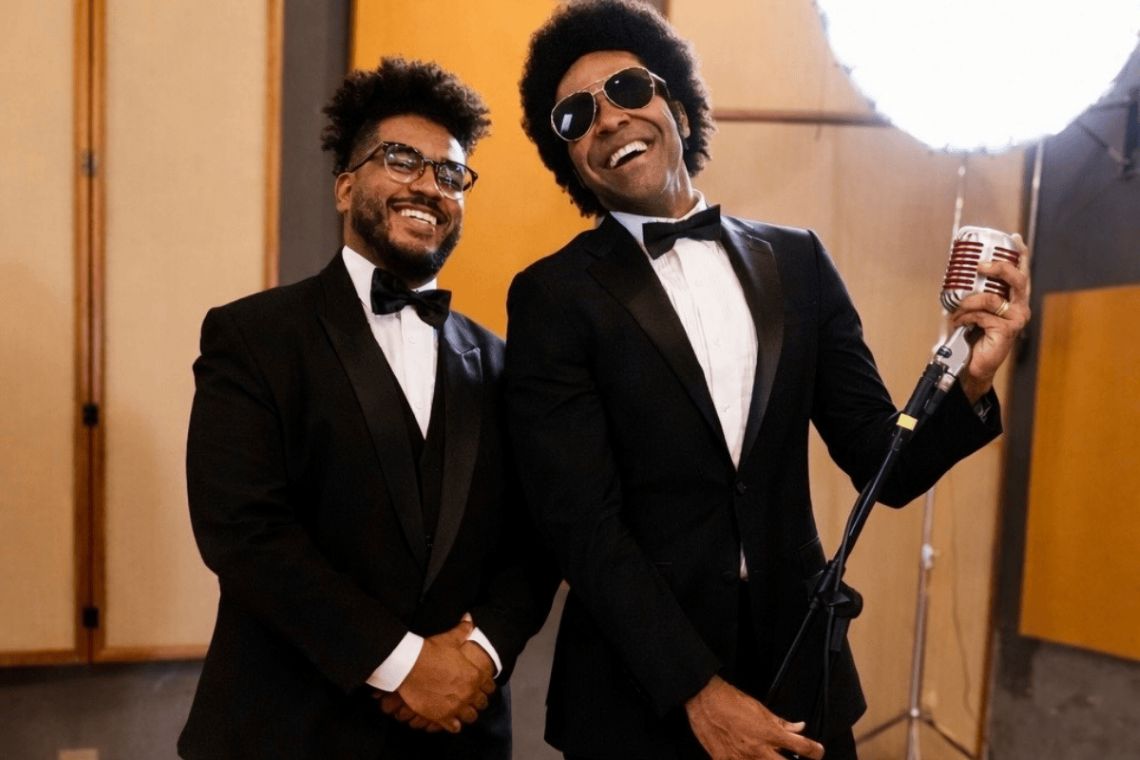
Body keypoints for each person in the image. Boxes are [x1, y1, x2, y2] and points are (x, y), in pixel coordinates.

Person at [505, 2, 1030, 759]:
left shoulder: (799, 260)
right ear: (571, 161)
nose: (609, 119)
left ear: (680, 108)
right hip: (639, 697)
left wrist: (971, 382)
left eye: (627, 88)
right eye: (575, 117)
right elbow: (582, 526)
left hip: (802, 679)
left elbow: (883, 463)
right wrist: (698, 691)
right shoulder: (551, 297)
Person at [179, 57, 557, 760]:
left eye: (451, 173)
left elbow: (536, 541)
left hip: (459, 737)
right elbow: (244, 531)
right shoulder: (252, 336)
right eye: (402, 159)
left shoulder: (504, 362)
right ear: (346, 186)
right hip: (287, 734)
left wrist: (480, 654)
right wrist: (404, 663)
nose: (429, 186)